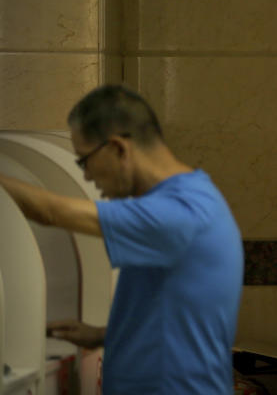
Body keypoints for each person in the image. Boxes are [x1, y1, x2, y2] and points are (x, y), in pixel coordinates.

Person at [0, 84, 243, 394]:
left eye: (83, 161)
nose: (86, 176)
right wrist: (104, 335)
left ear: (117, 148)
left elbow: (50, 212)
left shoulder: (177, 213)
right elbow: (179, 315)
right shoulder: (196, 195)